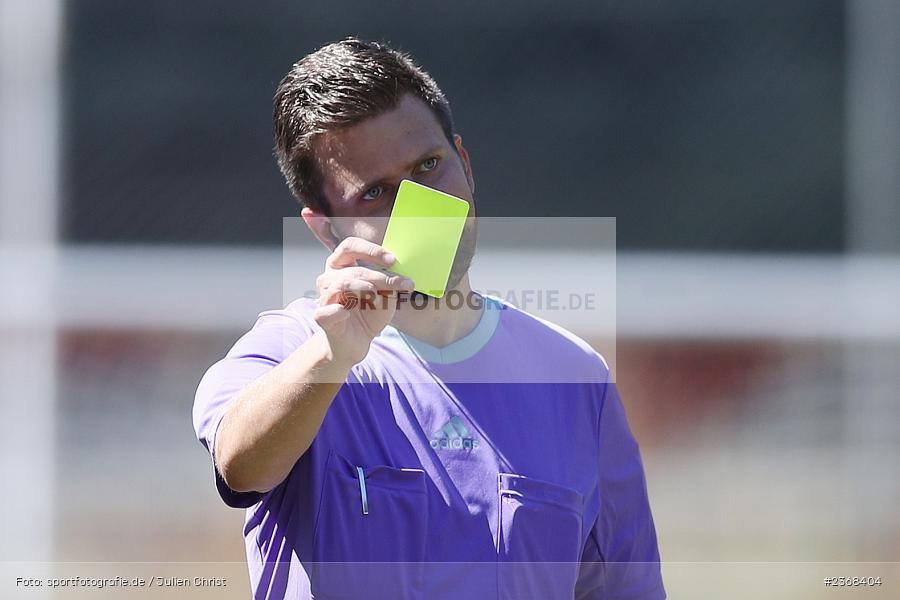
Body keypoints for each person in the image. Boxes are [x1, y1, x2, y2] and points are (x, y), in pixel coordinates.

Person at [192, 37, 665, 599]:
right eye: (375, 193)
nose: (420, 206)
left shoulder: (574, 375)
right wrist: (332, 355)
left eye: (429, 166)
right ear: (324, 229)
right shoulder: (291, 350)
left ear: (465, 165)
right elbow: (240, 466)